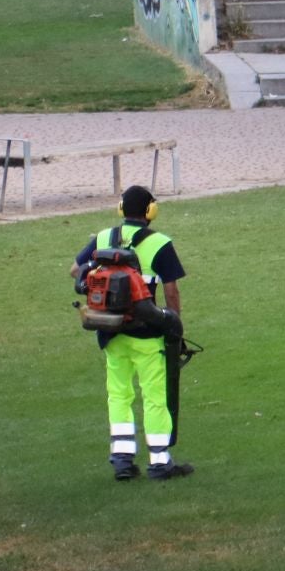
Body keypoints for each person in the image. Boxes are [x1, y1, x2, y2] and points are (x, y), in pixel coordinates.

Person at [73, 185, 192, 482]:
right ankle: (160, 462)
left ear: (121, 209)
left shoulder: (102, 238)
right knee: (154, 397)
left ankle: (122, 460)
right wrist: (175, 324)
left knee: (119, 394)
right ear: (151, 210)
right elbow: (171, 291)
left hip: (111, 331)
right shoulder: (160, 243)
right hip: (148, 334)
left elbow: (76, 270)